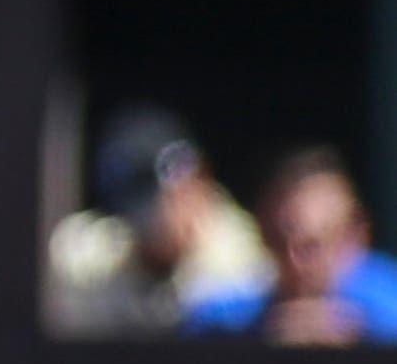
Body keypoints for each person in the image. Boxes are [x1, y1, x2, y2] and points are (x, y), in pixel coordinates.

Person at [46, 108, 273, 337]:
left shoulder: (246, 253)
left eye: (176, 187)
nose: (163, 211)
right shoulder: (94, 255)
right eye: (143, 195)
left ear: (200, 179)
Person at [184, 148, 397, 344]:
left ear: (352, 236)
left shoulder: (385, 297)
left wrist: (356, 330)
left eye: (311, 246)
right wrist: (265, 332)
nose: (294, 260)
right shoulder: (242, 313)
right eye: (278, 242)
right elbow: (195, 329)